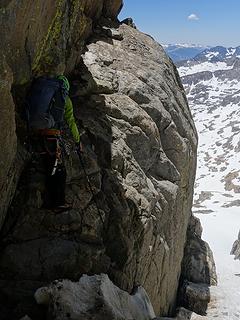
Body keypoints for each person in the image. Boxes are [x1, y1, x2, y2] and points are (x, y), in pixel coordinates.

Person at [26, 75, 81, 212]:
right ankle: (57, 202)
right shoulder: (65, 100)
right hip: (51, 137)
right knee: (58, 171)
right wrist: (78, 140)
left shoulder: (42, 94)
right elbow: (71, 121)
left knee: (50, 167)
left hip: (36, 134)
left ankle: (51, 201)